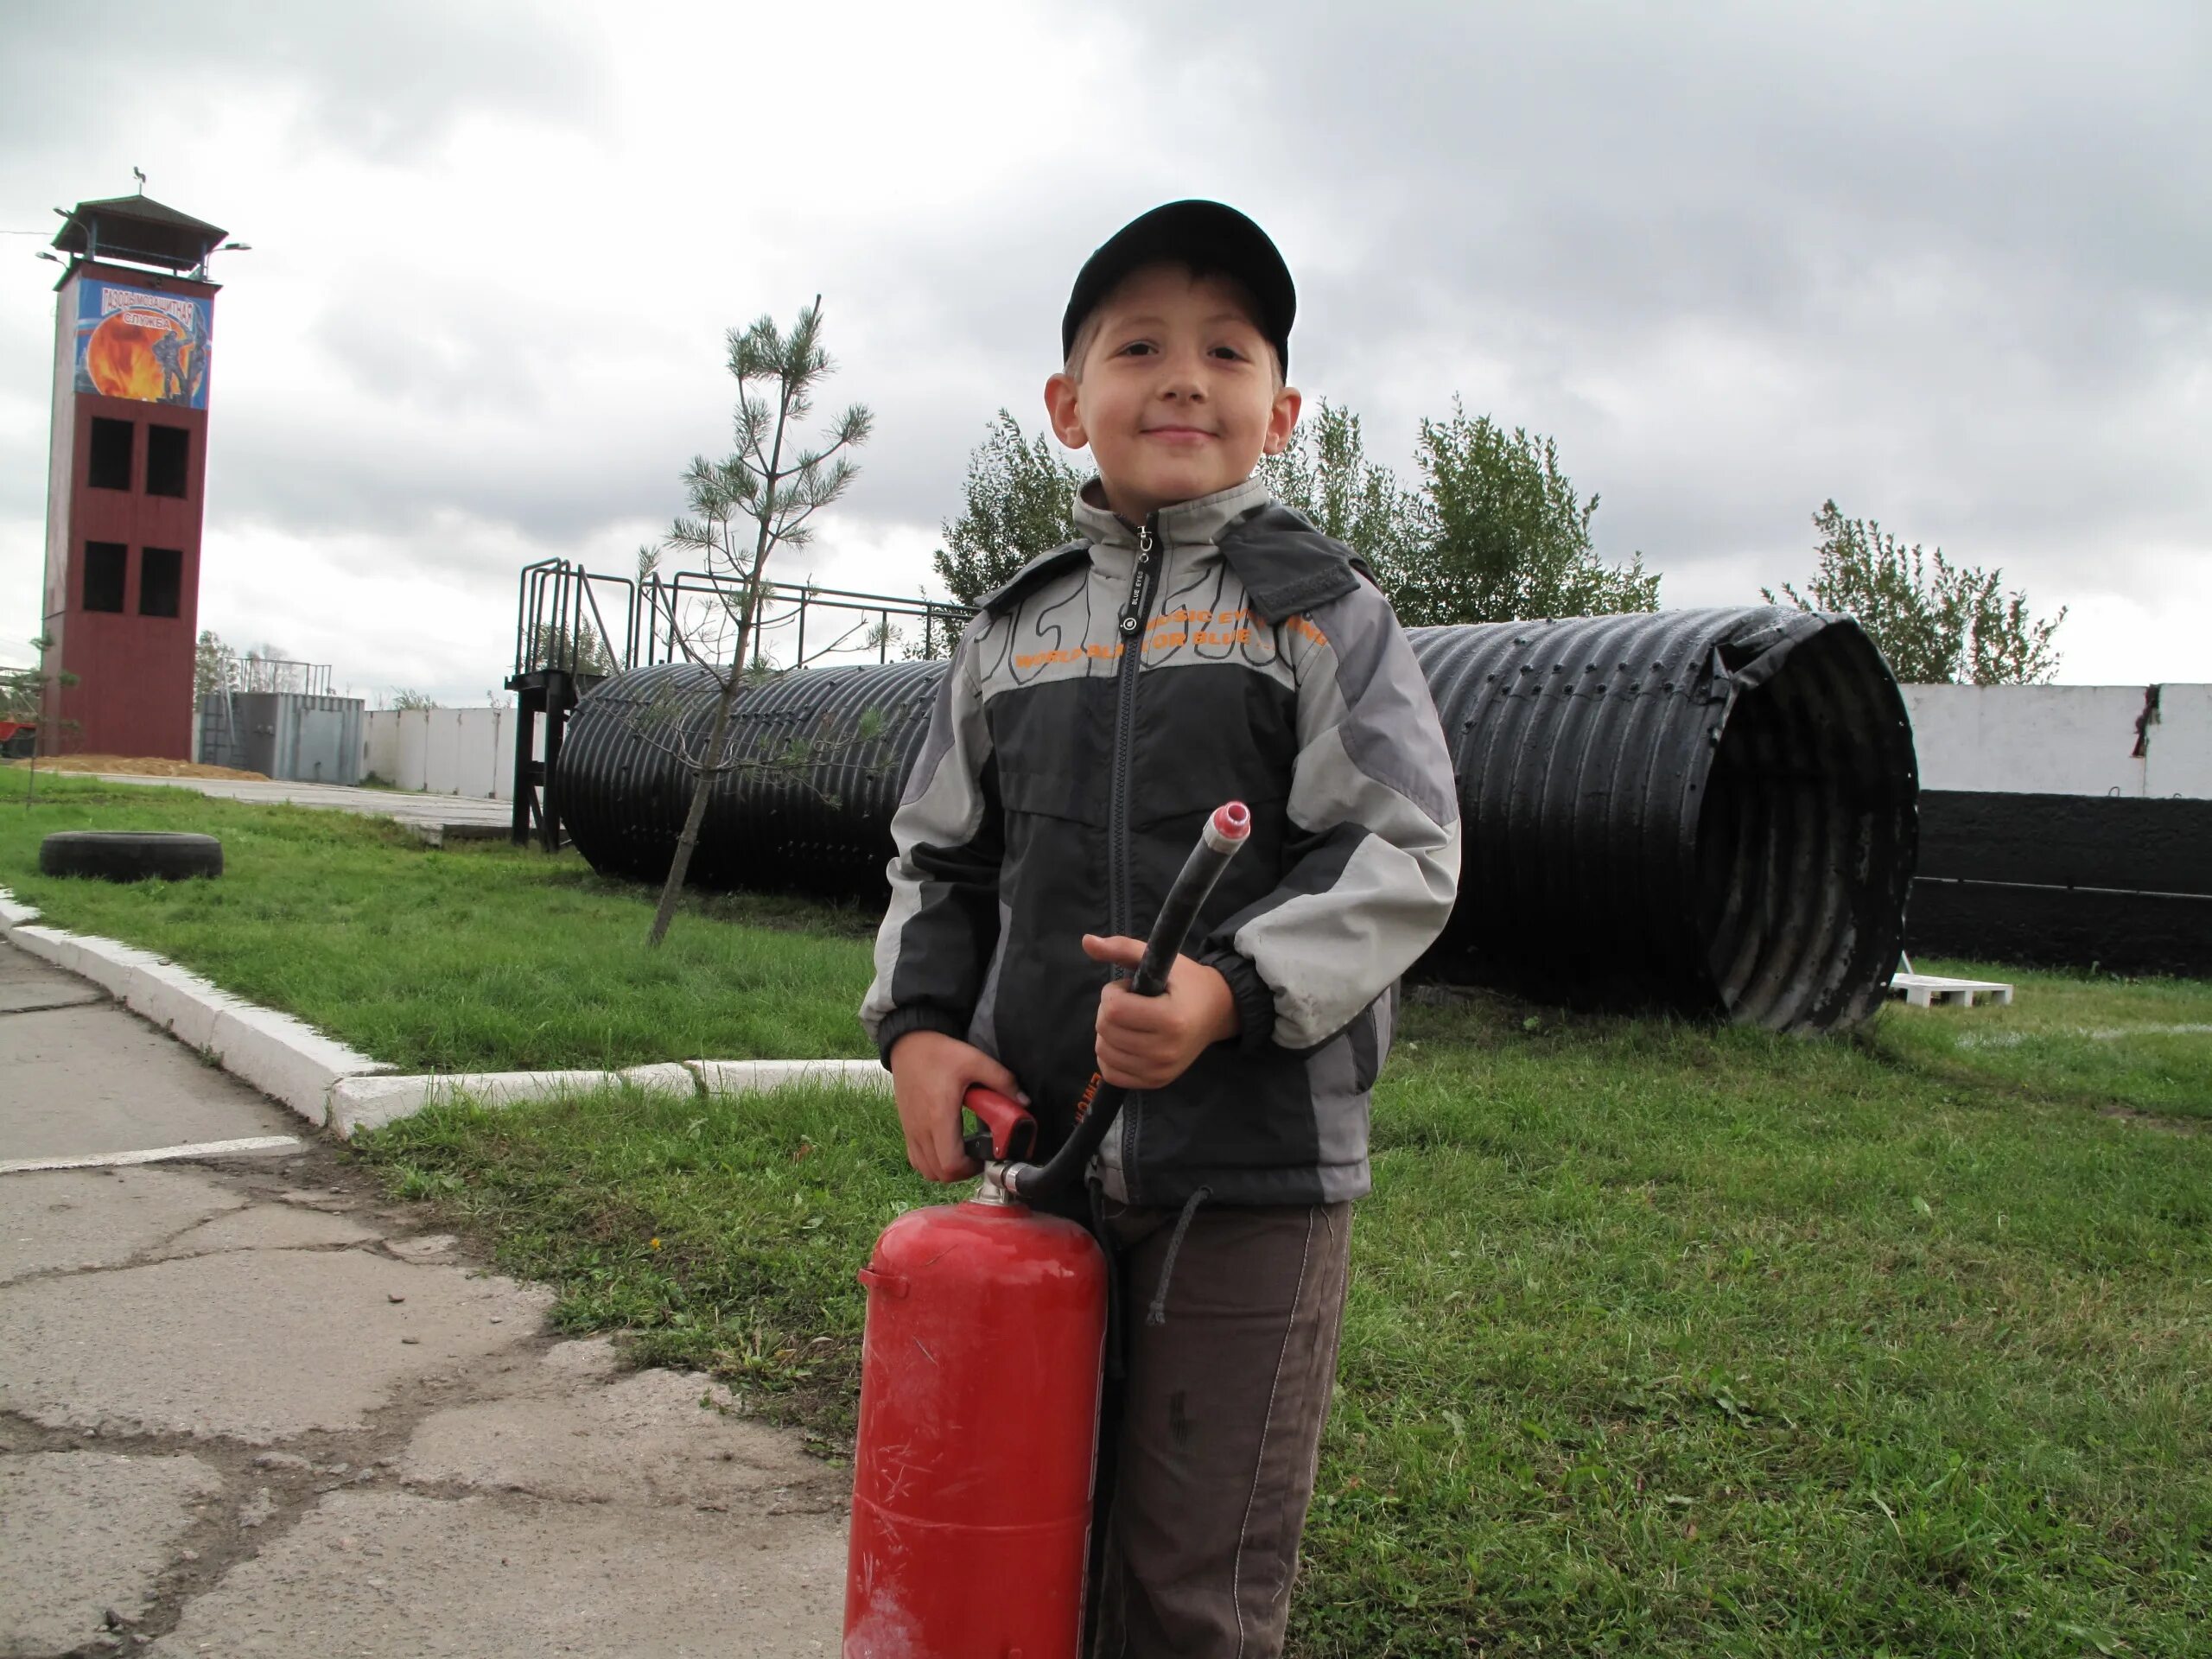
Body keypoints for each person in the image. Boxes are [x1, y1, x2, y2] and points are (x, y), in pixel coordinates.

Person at [860, 200, 1461, 1658]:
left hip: (1245, 1172)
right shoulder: (1010, 633)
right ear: (1071, 406)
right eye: (1139, 348)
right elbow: (942, 855)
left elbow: (1404, 848)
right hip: (1041, 1161)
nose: (1183, 378)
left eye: (1227, 349)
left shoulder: (1321, 617)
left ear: (1284, 409)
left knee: (1191, 1583)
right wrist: (923, 1034)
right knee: (1020, 1525)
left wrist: (1226, 993)